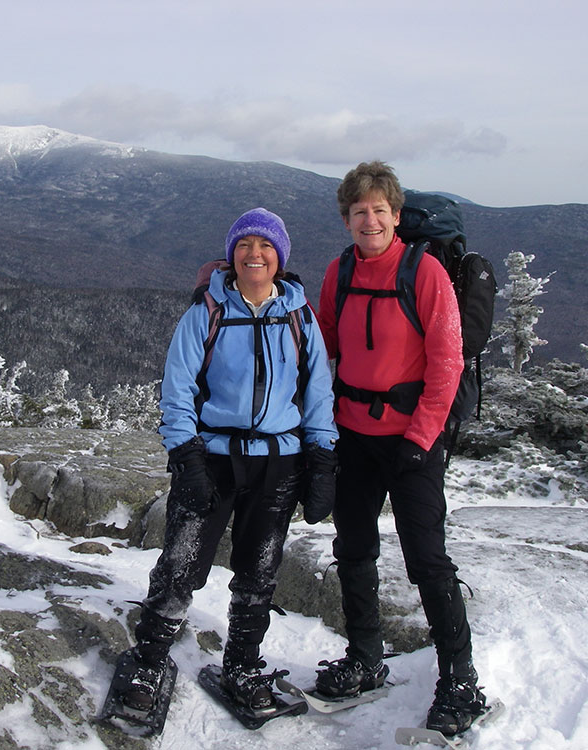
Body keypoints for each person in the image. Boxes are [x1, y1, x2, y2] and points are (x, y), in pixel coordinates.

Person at [114, 207, 339, 720]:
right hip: (213, 458)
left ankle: (241, 663)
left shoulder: (300, 316)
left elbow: (318, 392)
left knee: (259, 572)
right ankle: (148, 660)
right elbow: (176, 390)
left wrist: (322, 459)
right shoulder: (207, 311)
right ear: (231, 254)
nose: (253, 255)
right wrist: (186, 456)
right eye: (244, 246)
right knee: (181, 564)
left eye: (264, 247)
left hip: (279, 462)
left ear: (279, 257)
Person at [315, 161, 488, 737]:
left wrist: (422, 437)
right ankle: (366, 659)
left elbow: (447, 360)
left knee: (427, 560)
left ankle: (460, 681)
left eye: (379, 210)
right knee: (355, 547)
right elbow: (323, 344)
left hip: (412, 441)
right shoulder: (340, 272)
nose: (370, 220)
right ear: (347, 219)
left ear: (395, 215)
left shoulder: (427, 273)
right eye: (359, 211)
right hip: (353, 436)